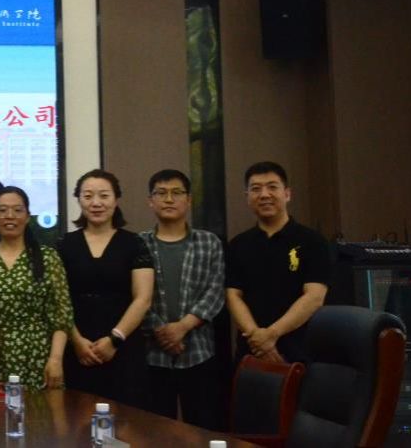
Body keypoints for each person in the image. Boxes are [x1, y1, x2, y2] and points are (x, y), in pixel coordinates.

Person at [59, 169, 153, 409]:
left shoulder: (135, 243)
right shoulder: (64, 245)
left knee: (126, 420)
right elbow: (58, 299)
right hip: (78, 347)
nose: (96, 203)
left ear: (116, 199)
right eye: (88, 196)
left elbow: (143, 299)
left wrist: (114, 340)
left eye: (104, 195)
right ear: (79, 200)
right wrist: (76, 340)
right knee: (77, 420)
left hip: (124, 347)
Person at [139, 169, 225, 429]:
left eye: (176, 193)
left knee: (202, 429)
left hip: (198, 351)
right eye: (161, 193)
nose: (169, 199)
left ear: (188, 200)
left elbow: (215, 291)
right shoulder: (138, 244)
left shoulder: (209, 242)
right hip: (152, 353)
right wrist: (162, 331)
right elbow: (135, 297)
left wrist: (183, 327)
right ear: (150, 201)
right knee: (154, 430)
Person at [225, 161, 330, 364]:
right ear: (247, 197)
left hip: (300, 351)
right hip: (251, 351)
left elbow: (314, 297)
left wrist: (271, 334)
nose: (264, 195)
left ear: (287, 194)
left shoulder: (312, 241)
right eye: (256, 189)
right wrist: (258, 339)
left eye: (272, 187)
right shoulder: (238, 244)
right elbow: (233, 296)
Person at [0, 186, 73, 393]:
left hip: (39, 357)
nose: (9, 216)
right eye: (2, 210)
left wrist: (55, 359)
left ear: (28, 216)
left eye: (17, 210)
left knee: (42, 413)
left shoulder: (48, 258)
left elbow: (62, 314)